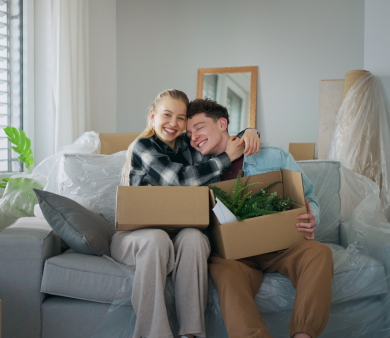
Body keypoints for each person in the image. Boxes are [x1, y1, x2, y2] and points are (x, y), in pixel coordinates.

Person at [111, 89, 261, 338]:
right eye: (167, 115)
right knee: (156, 238)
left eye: (181, 118)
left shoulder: (187, 147)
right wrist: (225, 160)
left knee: (194, 238)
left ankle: (191, 333)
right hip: (135, 236)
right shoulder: (143, 146)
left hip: (176, 235)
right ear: (153, 115)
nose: (173, 123)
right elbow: (176, 179)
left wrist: (249, 133)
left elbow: (219, 138)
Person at [186, 98, 334, 338]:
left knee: (320, 253)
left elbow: (309, 197)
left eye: (199, 127)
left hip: (282, 247)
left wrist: (311, 216)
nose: (194, 137)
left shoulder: (273, 156)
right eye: (189, 133)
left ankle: (303, 335)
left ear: (222, 124)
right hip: (234, 256)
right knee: (223, 272)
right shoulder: (196, 172)